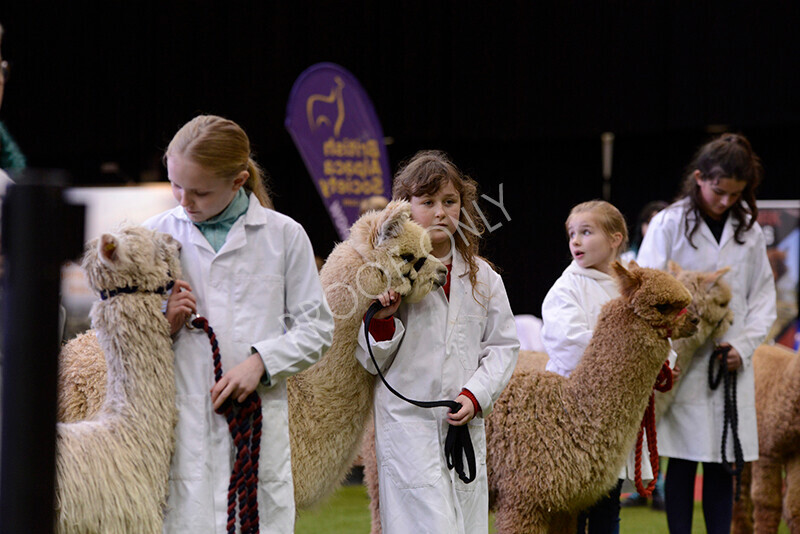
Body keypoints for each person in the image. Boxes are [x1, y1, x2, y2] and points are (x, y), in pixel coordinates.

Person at [144, 114, 334, 533]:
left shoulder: (284, 236)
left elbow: (318, 328)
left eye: (199, 191)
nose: (184, 201)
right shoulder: (152, 238)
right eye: (176, 185)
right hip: (183, 433)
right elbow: (120, 338)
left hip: (257, 431)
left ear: (238, 180)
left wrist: (261, 363)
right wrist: (165, 322)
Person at [355, 150, 519, 534]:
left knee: (466, 525)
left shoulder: (485, 279)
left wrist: (475, 395)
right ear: (405, 209)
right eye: (427, 202)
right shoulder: (383, 278)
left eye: (450, 202)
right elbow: (368, 359)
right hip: (407, 427)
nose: (441, 212)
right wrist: (382, 320)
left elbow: (502, 347)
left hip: (462, 424)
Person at [637, 133, 776, 534]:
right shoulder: (668, 224)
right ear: (699, 178)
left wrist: (744, 346)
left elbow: (762, 296)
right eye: (718, 191)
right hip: (680, 364)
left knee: (722, 458)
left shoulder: (748, 233)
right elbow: (648, 289)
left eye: (735, 194)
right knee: (680, 459)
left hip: (730, 363)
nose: (725, 202)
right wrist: (669, 348)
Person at [541, 199, 669, 533]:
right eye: (572, 234)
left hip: (617, 418)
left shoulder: (633, 284)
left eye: (586, 232)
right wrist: (631, 359)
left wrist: (664, 364)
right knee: (569, 510)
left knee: (607, 506)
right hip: (575, 415)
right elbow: (567, 342)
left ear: (615, 239)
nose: (576, 241)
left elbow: (657, 329)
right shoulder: (566, 288)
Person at [620, 200, 668, 265]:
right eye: (648, 223)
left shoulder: (675, 263)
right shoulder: (627, 259)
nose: (652, 229)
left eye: (658, 224)